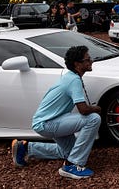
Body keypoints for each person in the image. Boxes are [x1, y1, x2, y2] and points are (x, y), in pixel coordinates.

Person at [11, 46, 101, 179]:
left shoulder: (71, 76)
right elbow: (83, 110)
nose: (91, 61)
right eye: (87, 59)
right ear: (77, 64)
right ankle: (72, 165)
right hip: (47, 123)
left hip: (52, 120)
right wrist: (97, 108)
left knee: (69, 152)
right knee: (93, 118)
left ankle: (26, 148)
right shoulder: (74, 80)